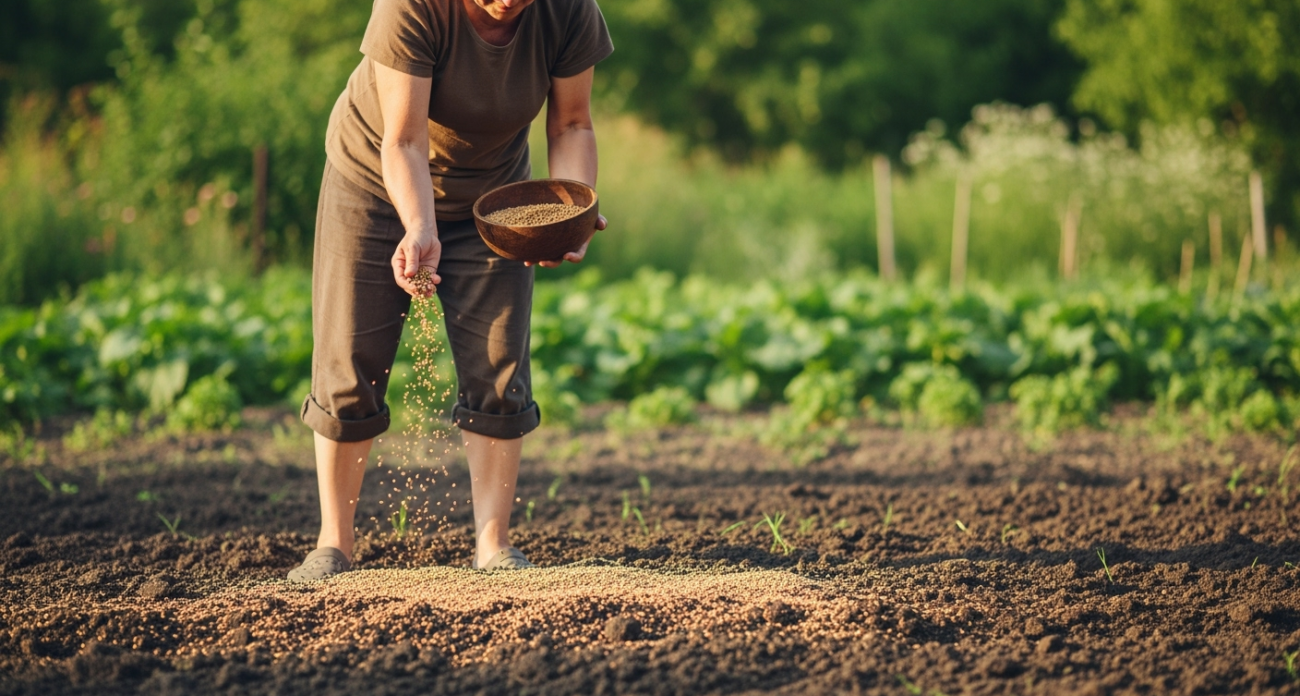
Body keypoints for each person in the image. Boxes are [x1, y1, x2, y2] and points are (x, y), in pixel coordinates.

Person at [287, 0, 613, 581]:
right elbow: (404, 141)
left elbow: (572, 124)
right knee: (349, 357)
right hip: (374, 180)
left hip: (498, 196)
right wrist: (420, 227)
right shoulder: (412, 6)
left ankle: (494, 544)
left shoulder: (568, 10)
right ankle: (333, 544)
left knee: (500, 362)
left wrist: (573, 208)